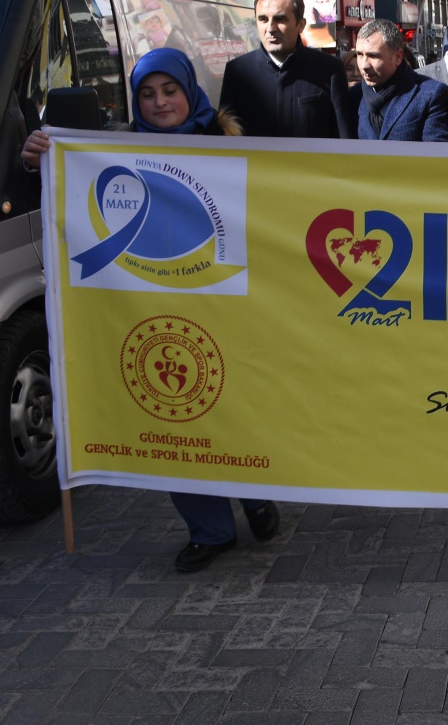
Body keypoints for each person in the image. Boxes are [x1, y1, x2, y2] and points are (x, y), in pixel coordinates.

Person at [21, 50, 281, 574]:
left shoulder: (233, 147)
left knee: (236, 403)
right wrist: (40, 158)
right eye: (147, 93)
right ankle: (210, 530)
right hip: (152, 307)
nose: (160, 102)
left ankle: (256, 491)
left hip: (228, 302)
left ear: (189, 90)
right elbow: (65, 195)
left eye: (170, 90)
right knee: (172, 412)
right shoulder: (112, 149)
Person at [219, 0, 351, 138]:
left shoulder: (330, 70)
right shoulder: (237, 71)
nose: (270, 28)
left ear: (300, 25)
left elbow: (344, 139)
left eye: (280, 19)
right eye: (263, 19)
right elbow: (226, 141)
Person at [347, 18, 448, 142]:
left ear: (398, 57)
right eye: (360, 54)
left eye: (373, 56)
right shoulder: (351, 98)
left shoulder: (431, 94)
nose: (364, 65)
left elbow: (435, 154)